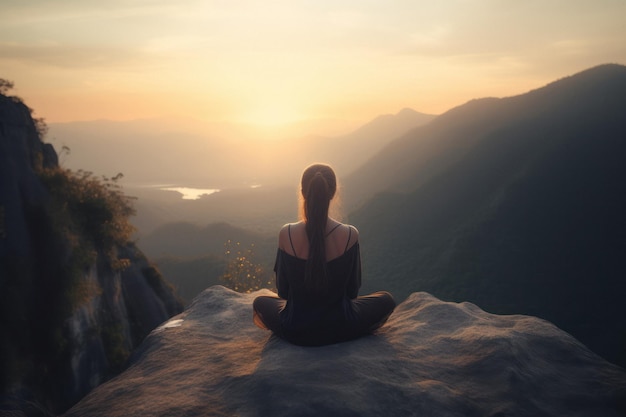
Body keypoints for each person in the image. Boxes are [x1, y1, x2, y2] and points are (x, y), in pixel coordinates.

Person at [253, 163, 396, 346]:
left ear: (304, 193)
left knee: (260, 302)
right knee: (386, 300)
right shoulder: (350, 234)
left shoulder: (286, 233)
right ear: (333, 192)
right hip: (342, 326)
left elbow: (283, 292)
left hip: (295, 329)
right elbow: (352, 292)